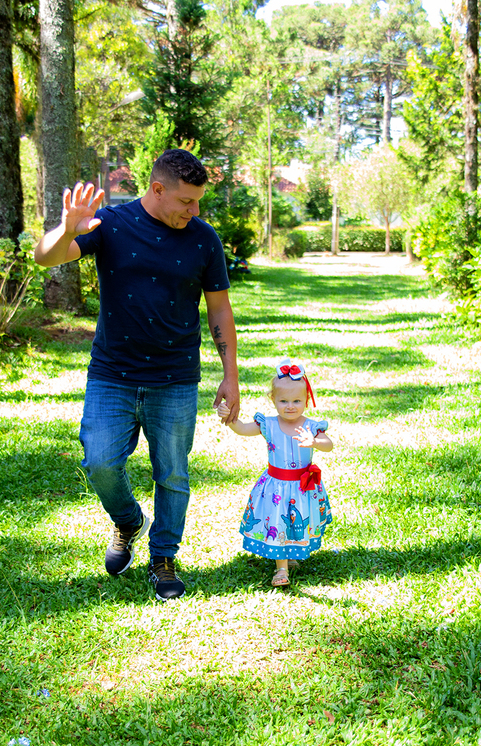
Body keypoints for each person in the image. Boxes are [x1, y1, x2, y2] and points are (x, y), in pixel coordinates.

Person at [33, 149, 240, 602]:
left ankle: (163, 557)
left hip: (175, 378)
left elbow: (219, 310)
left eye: (199, 201)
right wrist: (68, 229)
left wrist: (231, 375)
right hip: (113, 374)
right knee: (99, 462)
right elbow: (45, 258)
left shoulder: (203, 239)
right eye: (186, 201)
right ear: (158, 189)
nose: (195, 210)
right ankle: (128, 521)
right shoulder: (111, 224)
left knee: (173, 475)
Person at [217, 357, 333, 588]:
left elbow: (329, 444)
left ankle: (291, 553)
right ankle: (281, 568)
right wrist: (228, 417)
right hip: (276, 487)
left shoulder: (311, 426)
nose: (290, 406)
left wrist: (314, 442)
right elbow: (242, 429)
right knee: (279, 522)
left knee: (297, 520)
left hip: (302, 487)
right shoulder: (268, 424)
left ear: (306, 400)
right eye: (283, 401)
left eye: (297, 401)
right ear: (273, 400)